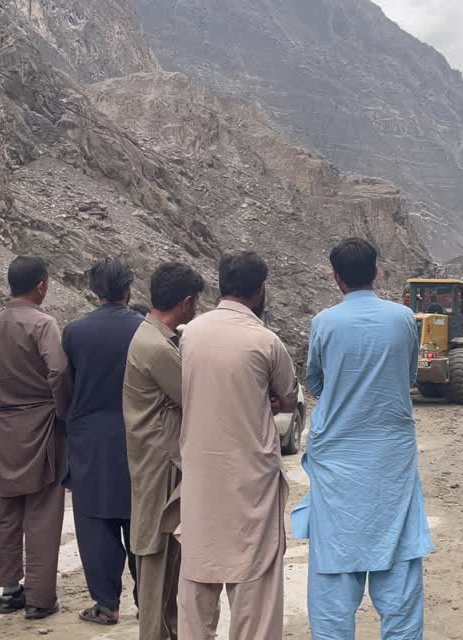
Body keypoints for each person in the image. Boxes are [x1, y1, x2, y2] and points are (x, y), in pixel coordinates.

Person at [296, 238, 434, 639]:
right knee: (400, 562)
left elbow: (316, 379)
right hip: (392, 459)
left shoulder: (324, 323)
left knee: (334, 569)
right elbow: (409, 376)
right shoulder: (405, 318)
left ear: (336, 277)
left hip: (338, 462)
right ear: (377, 271)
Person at [179, 251, 298, 640]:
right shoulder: (266, 341)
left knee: (198, 571)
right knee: (256, 588)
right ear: (261, 289)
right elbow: (287, 398)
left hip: (200, 476)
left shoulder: (190, 333)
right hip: (251, 481)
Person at [0, 256, 71, 620]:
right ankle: (40, 598)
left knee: (2, 511)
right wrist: (61, 411)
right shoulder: (44, 324)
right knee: (42, 513)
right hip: (41, 425)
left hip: (1, 426)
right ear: (41, 286)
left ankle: (9, 591)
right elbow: (59, 371)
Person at [123, 262, 204, 640]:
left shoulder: (153, 337)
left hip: (157, 458)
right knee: (155, 552)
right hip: (160, 462)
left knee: (168, 554)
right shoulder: (157, 347)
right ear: (186, 303)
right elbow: (195, 395)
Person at [63, 258, 144, 626]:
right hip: (138, 437)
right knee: (140, 523)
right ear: (129, 288)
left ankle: (106, 603)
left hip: (90, 440)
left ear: (93, 291)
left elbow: (67, 388)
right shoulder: (145, 330)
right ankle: (150, 600)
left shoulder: (75, 332)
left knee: (96, 524)